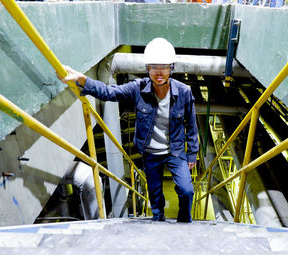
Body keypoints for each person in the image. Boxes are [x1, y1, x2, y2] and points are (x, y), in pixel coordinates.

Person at [59, 38, 199, 223]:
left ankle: (184, 221)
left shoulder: (183, 92)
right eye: (154, 67)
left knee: (186, 190)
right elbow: (110, 93)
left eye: (164, 66)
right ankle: (158, 220)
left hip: (175, 151)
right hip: (150, 153)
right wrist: (83, 80)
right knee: (155, 195)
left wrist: (192, 154)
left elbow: (191, 124)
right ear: (147, 68)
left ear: (171, 68)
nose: (159, 72)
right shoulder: (138, 88)